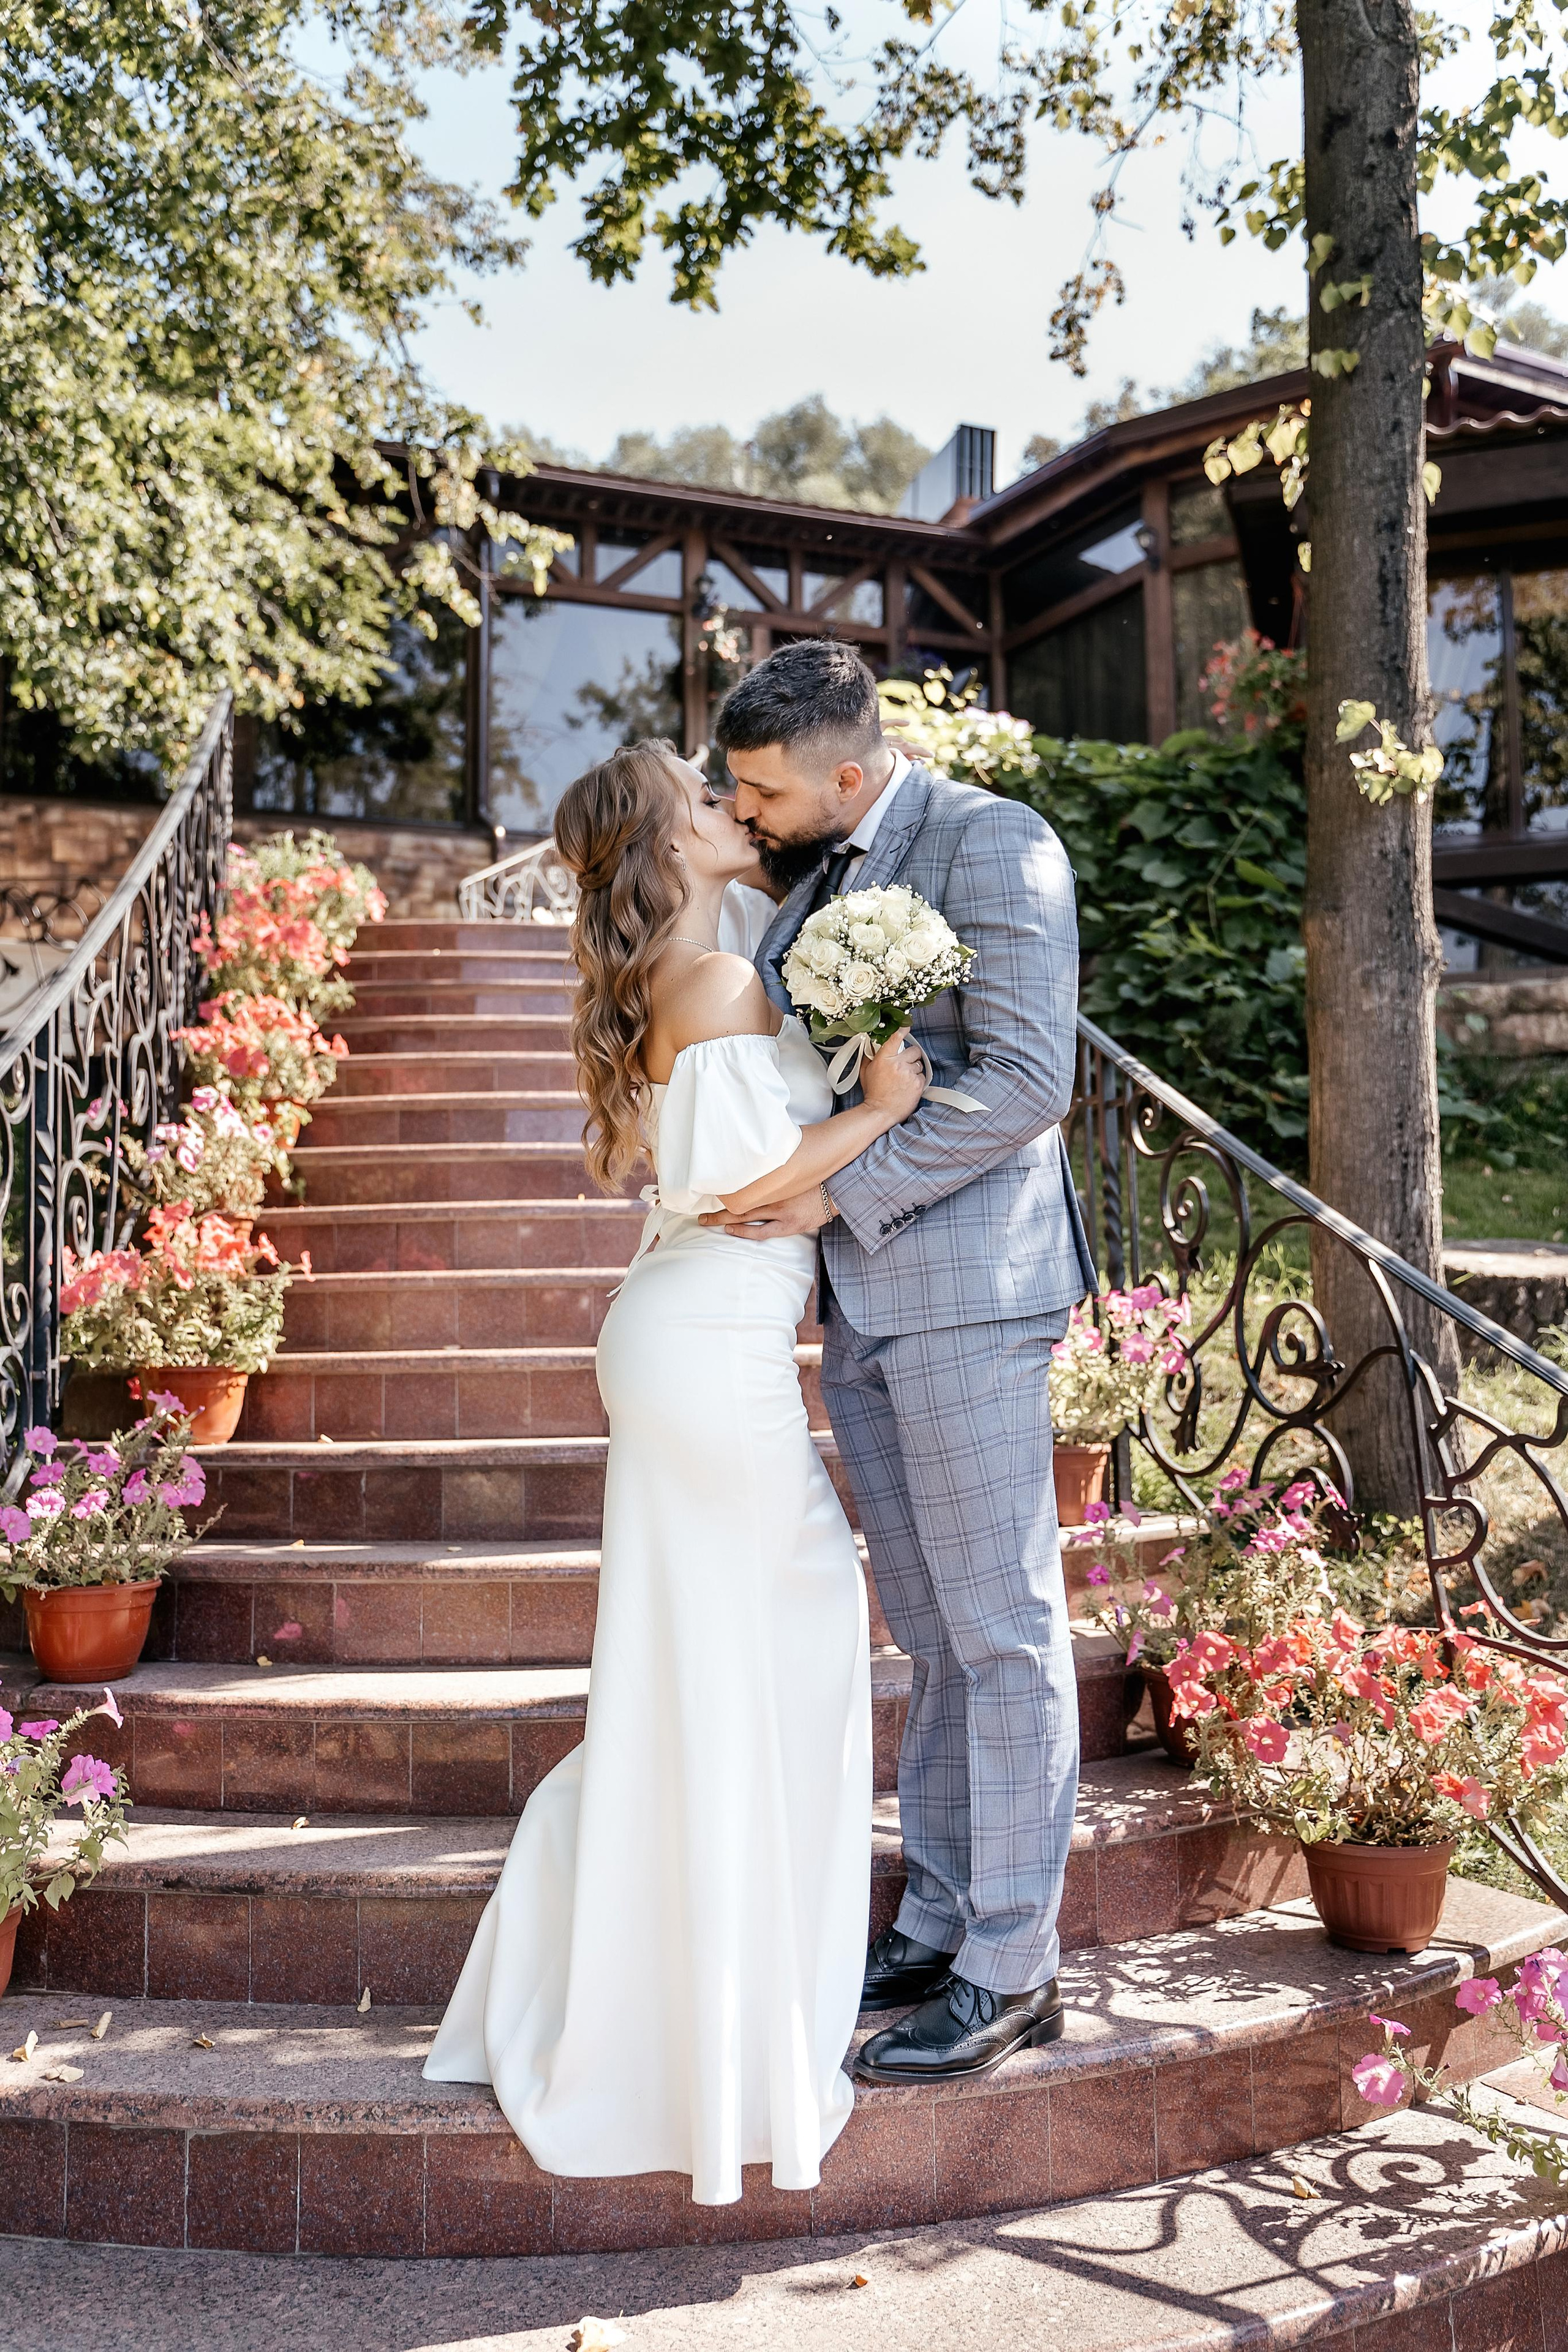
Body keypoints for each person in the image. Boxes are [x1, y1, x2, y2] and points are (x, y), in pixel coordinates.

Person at [422, 739, 927, 2205]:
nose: (728, 809)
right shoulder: (713, 983)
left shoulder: (695, 978)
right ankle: (709, 2017)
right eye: (701, 802)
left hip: (689, 1339)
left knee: (724, 1669)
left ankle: (689, 1998)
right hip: (704, 1345)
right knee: (789, 1647)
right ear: (665, 847)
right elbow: (730, 1192)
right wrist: (885, 1106)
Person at [707, 638, 1096, 2085]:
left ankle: (1013, 1965)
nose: (742, 810)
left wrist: (835, 1194)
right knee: (929, 1634)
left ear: (849, 774)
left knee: (1000, 1631)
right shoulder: (806, 876)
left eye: (759, 788)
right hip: (856, 1308)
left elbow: (1020, 1079)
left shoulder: (997, 845)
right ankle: (937, 1916)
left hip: (971, 1294)